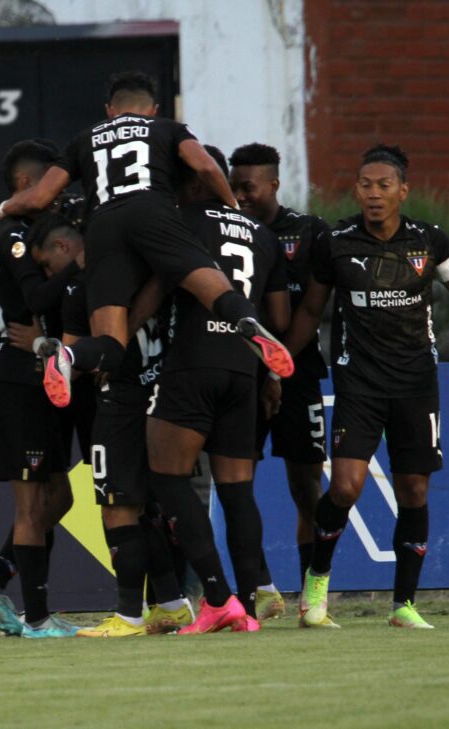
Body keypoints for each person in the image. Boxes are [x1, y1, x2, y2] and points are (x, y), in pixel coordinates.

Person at [0, 71, 294, 408]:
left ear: (110, 110)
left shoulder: (85, 138)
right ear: (152, 110)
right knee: (216, 290)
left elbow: (40, 197)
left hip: (103, 227)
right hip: (154, 215)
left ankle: (66, 356)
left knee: (111, 343)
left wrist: (5, 207)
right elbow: (207, 168)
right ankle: (246, 324)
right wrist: (232, 207)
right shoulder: (167, 128)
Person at [284, 144, 449, 629]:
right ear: (357, 190)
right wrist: (281, 362)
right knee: (346, 486)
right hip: (359, 383)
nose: (373, 195)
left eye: (384, 186)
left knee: (414, 488)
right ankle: (316, 587)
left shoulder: (430, 241)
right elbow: (311, 311)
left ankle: (404, 605)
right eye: (365, 185)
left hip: (416, 383)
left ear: (402, 191)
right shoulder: (336, 242)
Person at [26, 213, 194, 637]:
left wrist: (57, 358)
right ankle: (173, 604)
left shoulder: (85, 288)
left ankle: (128, 616)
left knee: (118, 507)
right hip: (168, 399)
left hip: (120, 402)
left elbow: (69, 364)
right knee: (150, 509)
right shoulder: (163, 273)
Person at [145, 145, 290, 634]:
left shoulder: (179, 219)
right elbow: (281, 318)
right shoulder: (262, 234)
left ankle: (214, 597)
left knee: (167, 478)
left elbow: (157, 289)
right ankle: (247, 611)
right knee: (237, 490)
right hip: (244, 368)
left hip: (194, 360)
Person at [0, 141, 82, 639]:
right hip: (15, 374)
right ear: (24, 187)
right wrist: (79, 261)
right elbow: (34, 295)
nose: (56, 203)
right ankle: (36, 619)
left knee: (59, 497)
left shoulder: (19, 230)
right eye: (49, 193)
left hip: (35, 373)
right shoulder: (11, 235)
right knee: (33, 504)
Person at [229, 142, 332, 620]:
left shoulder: (310, 232)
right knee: (237, 485)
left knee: (306, 490)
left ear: (273, 184)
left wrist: (278, 366)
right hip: (239, 377)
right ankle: (258, 590)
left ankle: (313, 596)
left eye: (248, 186)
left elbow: (310, 310)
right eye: (234, 186)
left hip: (298, 373)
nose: (240, 195)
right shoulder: (229, 231)